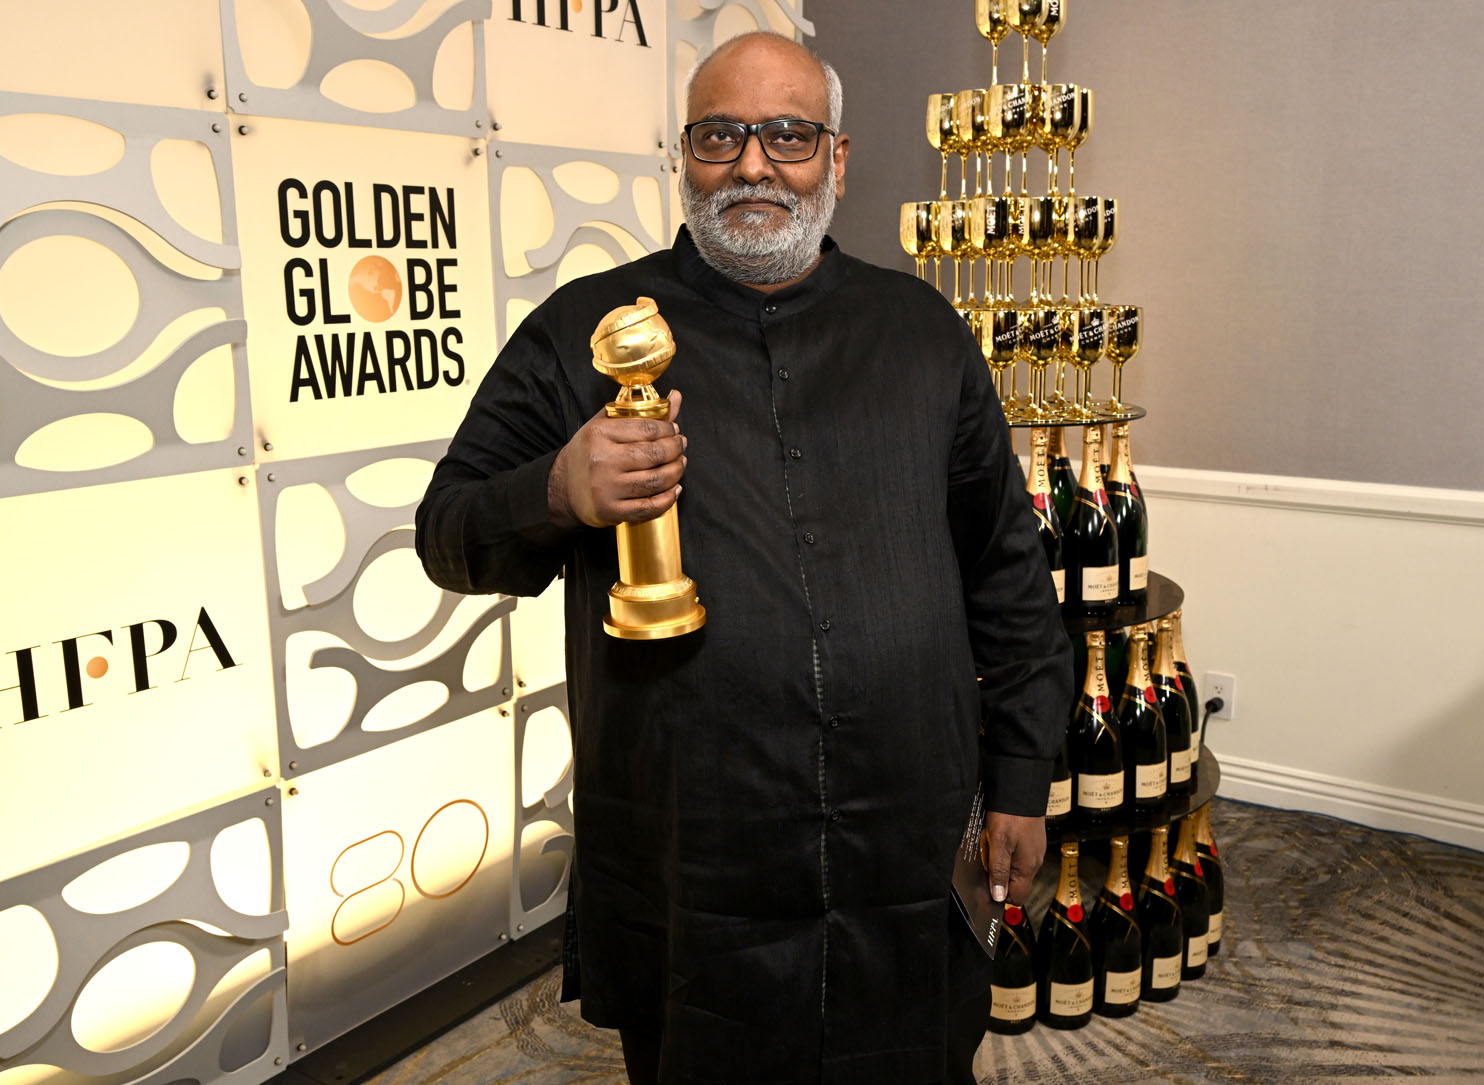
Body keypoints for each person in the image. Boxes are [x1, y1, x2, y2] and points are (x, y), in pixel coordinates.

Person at [415, 31, 1071, 1085]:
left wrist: (1024, 778)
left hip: (904, 848)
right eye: (720, 135)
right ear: (684, 155)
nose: (753, 164)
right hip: (698, 861)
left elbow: (1008, 577)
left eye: (789, 135)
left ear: (837, 158)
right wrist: (559, 488)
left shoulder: (921, 331)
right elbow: (446, 533)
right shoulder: (584, 332)